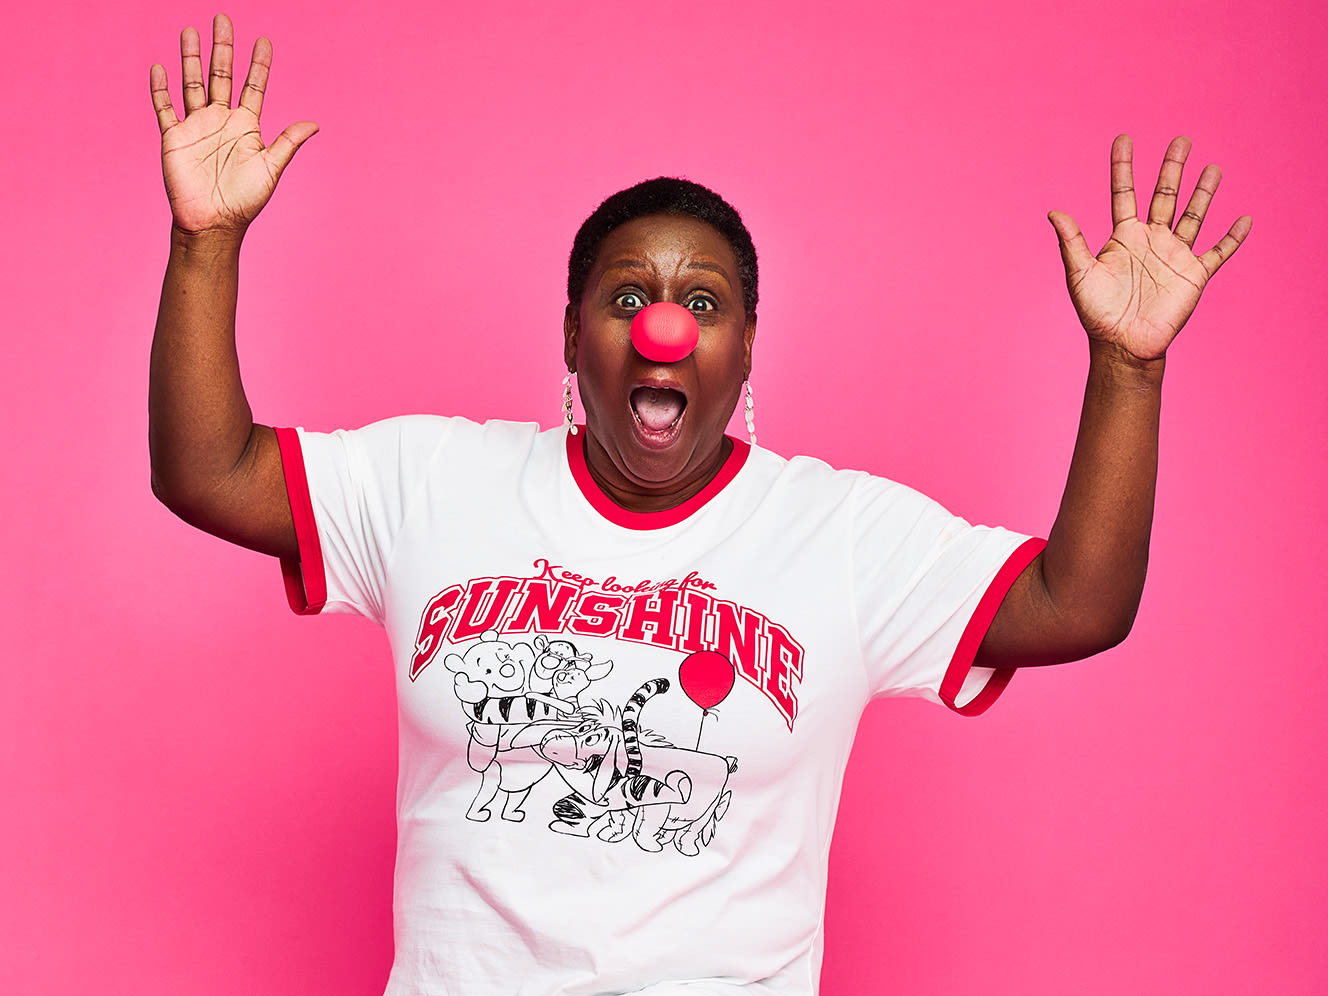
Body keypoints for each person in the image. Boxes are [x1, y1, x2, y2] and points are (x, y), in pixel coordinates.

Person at [147, 14, 1249, 996]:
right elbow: (208, 471)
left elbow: (1076, 603)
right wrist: (205, 242)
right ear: (572, 334)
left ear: (745, 346)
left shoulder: (839, 535)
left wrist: (1128, 368)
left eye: (702, 303)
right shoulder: (430, 479)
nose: (661, 327)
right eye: (626, 296)